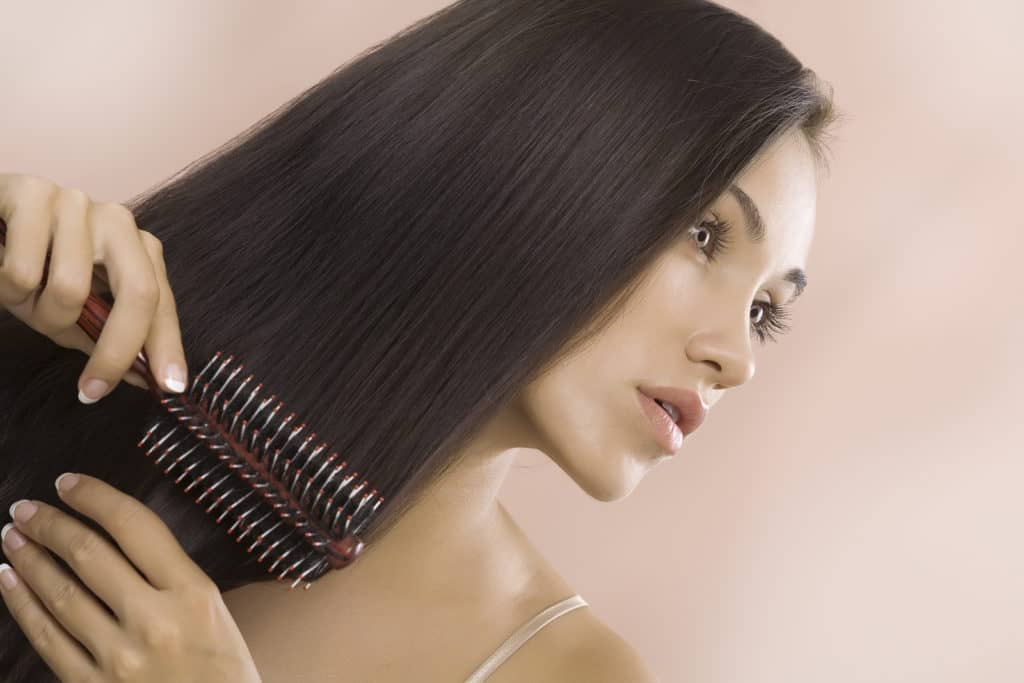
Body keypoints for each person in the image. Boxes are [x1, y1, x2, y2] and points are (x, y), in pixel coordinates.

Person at [0, 0, 840, 680]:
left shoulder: (570, 672)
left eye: (766, 311)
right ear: (550, 161)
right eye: (705, 236)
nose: (738, 355)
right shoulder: (104, 345)